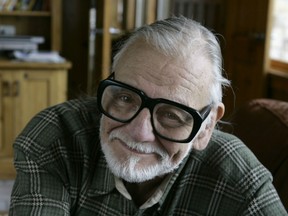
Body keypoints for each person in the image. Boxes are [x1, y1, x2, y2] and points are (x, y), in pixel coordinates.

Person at [9, 16, 287, 215]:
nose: (138, 131)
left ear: (206, 127)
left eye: (172, 115)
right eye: (126, 98)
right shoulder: (55, 136)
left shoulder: (239, 175)